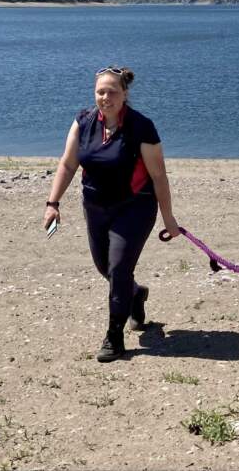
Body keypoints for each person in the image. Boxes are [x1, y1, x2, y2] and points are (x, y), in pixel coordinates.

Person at [43, 65, 180, 362]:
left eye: (112, 92)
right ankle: (135, 293)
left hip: (135, 207)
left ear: (125, 94)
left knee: (118, 268)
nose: (106, 97)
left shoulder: (142, 127)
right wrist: (52, 203)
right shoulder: (84, 122)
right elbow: (68, 165)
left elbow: (158, 176)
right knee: (105, 267)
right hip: (95, 208)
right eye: (100, 92)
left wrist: (168, 218)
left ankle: (114, 336)